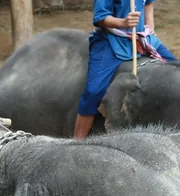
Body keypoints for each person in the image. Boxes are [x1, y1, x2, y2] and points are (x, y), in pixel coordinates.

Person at [73, 0, 177, 139]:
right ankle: (77, 140)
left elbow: (148, 2)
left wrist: (150, 27)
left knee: (175, 67)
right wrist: (124, 22)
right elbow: (101, 17)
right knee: (94, 91)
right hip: (111, 40)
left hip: (141, 37)